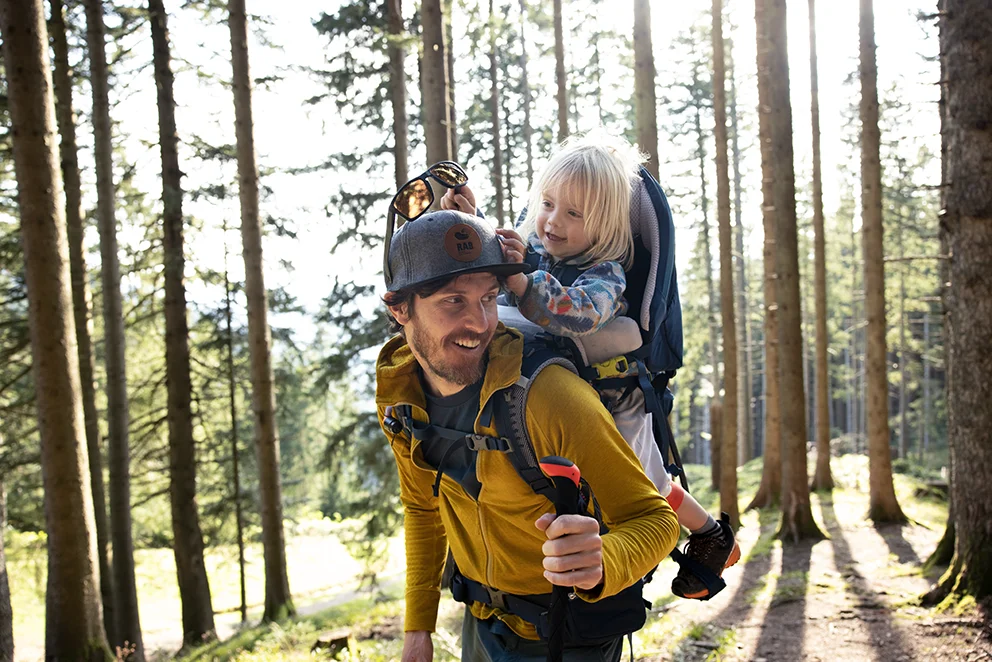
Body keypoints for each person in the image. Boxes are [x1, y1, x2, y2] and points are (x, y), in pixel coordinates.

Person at [441, 134, 740, 600]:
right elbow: (501, 264)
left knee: (648, 482)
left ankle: (711, 536)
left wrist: (521, 282)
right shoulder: (537, 248)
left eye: (574, 214)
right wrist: (472, 219)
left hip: (615, 394)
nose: (553, 221)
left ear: (605, 225)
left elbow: (576, 313)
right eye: (547, 204)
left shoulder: (606, 273)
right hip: (560, 391)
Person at [377, 208, 680, 661]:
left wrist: (603, 560)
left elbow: (657, 520)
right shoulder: (400, 392)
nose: (480, 323)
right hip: (480, 623)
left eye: (488, 297)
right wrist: (418, 627)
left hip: (568, 635)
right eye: (453, 301)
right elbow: (423, 507)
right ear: (400, 308)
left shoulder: (547, 396)